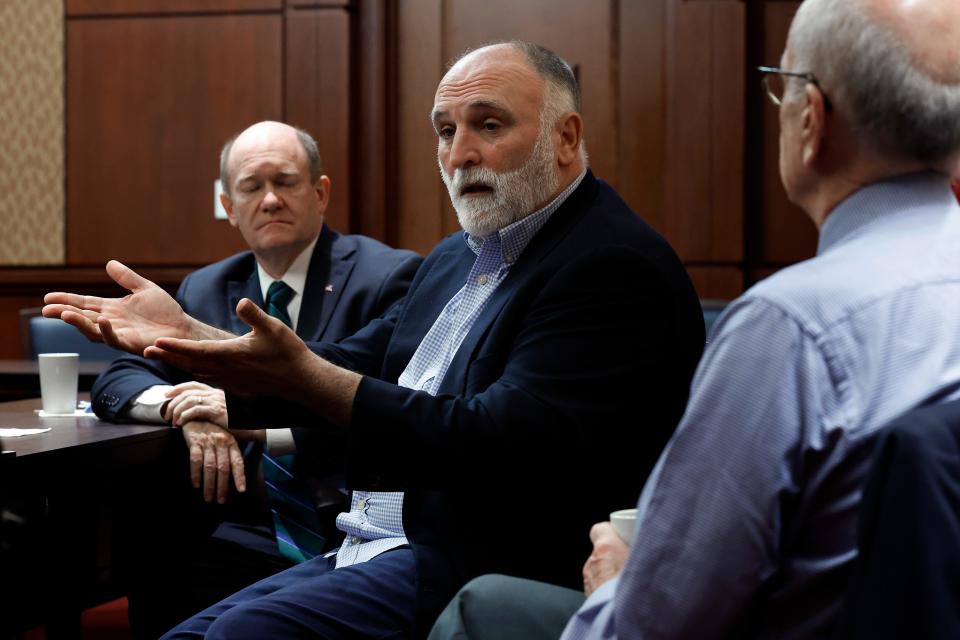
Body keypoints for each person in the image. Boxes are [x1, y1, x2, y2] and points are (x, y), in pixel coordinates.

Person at [43, 41, 705, 639]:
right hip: (376, 539)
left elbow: (497, 440)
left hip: (486, 560)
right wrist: (191, 337)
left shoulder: (610, 264)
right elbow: (352, 362)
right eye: (445, 132)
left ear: (566, 138)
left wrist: (291, 373)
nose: (459, 154)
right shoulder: (456, 257)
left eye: (489, 125)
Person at [426, 0, 960, 638]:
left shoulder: (790, 328)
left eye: (780, 85)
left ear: (810, 119)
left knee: (481, 608)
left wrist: (617, 581)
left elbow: (658, 620)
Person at [93, 120, 422, 637]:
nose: (270, 200)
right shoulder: (206, 287)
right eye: (251, 187)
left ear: (320, 192)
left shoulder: (389, 277)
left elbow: (396, 400)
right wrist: (184, 409)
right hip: (232, 525)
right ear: (229, 205)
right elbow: (122, 376)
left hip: (343, 522)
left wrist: (249, 421)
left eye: (285, 182)